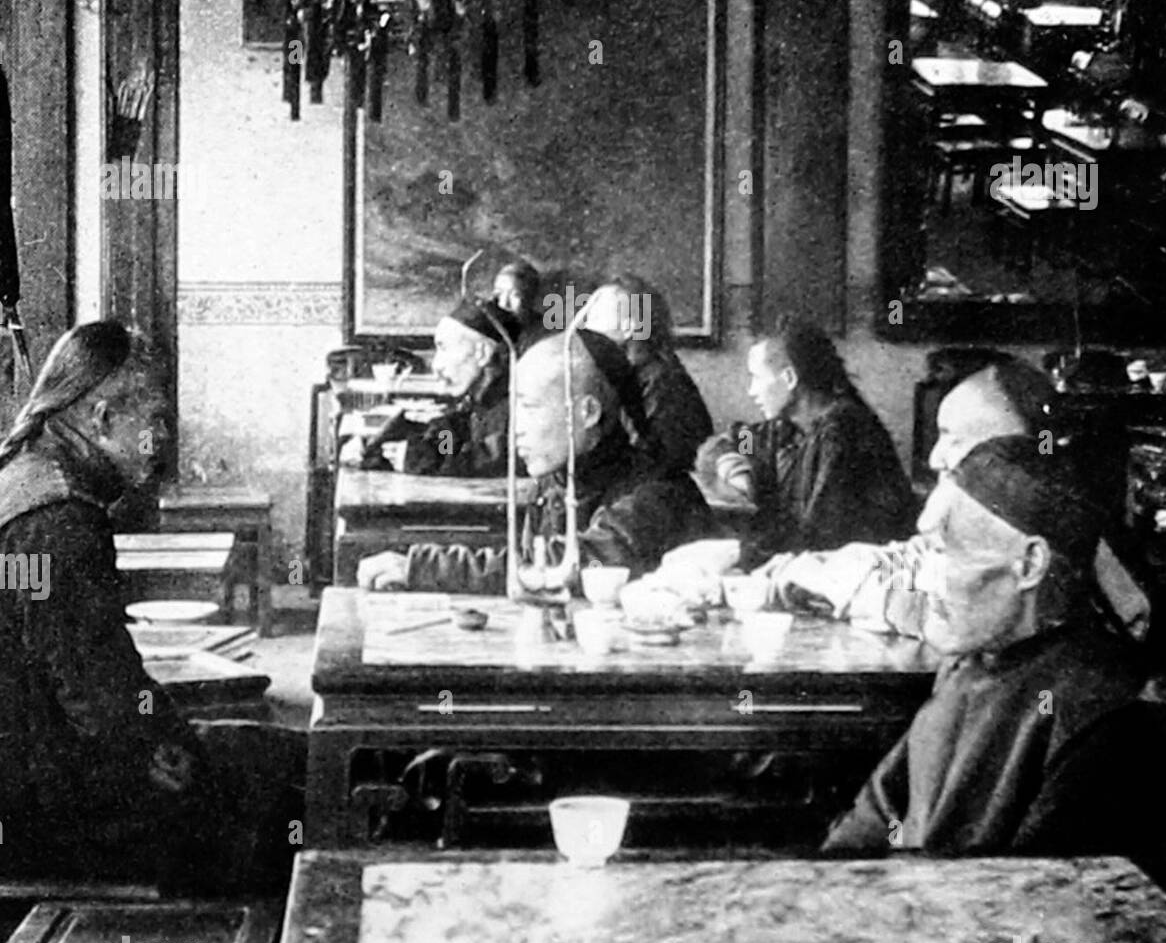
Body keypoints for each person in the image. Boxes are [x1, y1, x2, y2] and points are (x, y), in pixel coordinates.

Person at [0, 320, 302, 891]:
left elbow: (84, 669)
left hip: (35, 769)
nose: (163, 437)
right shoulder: (60, 521)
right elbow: (92, 695)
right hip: (45, 808)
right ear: (103, 419)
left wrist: (159, 727)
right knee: (286, 799)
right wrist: (160, 748)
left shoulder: (24, 476)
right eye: (156, 420)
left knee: (263, 751)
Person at [821, 436, 1166, 857]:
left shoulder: (1105, 718)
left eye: (944, 551)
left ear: (1030, 564)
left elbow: (1033, 886)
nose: (922, 580)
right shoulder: (968, 663)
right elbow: (877, 815)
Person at [764, 358, 1151, 642]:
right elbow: (911, 560)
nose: (936, 458)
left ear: (1021, 447)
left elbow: (941, 612)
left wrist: (834, 586)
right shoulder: (978, 523)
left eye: (954, 437)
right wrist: (803, 569)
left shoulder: (1078, 552)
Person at [356, 329, 711, 593]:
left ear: (587, 412)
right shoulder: (556, 481)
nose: (516, 428)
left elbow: (565, 567)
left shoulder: (655, 495)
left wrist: (425, 566)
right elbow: (529, 562)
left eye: (529, 407)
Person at [698, 315, 917, 561]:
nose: (751, 390)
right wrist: (736, 469)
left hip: (856, 570)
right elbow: (738, 441)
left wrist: (745, 557)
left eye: (757, 377)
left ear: (789, 378)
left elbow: (818, 538)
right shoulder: (788, 427)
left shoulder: (842, 434)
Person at [349, 298, 520, 477]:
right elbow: (449, 442)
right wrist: (378, 444)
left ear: (482, 353)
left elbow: (494, 459)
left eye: (444, 348)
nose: (436, 365)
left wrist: (424, 459)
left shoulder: (517, 404)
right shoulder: (479, 400)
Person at [582, 273, 713, 475]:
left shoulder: (662, 382)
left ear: (629, 328)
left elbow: (653, 464)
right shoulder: (621, 373)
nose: (586, 326)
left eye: (596, 317)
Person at [493, 259, 543, 347]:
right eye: (499, 294)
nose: (504, 304)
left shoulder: (543, 334)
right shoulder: (490, 327)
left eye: (515, 295)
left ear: (531, 298)